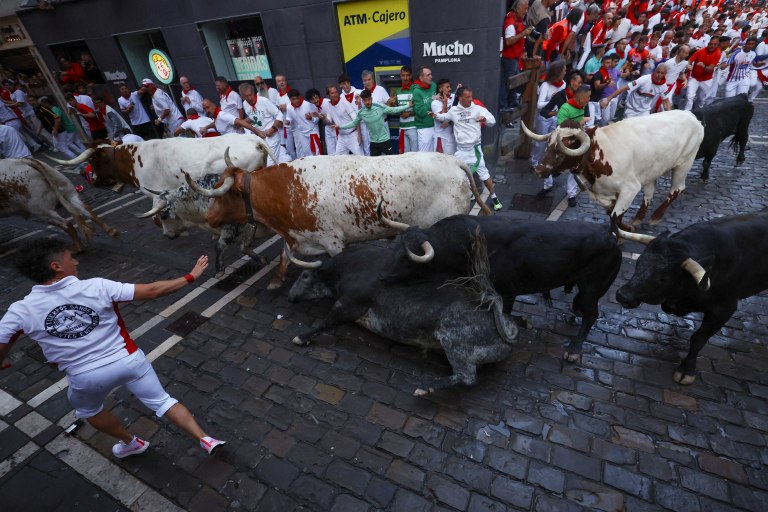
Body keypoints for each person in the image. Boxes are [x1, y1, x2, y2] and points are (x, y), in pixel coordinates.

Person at [0, 239, 226, 458]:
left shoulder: (21, 310)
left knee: (89, 411)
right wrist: (190, 276)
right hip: (128, 360)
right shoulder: (97, 286)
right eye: (71, 258)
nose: (76, 262)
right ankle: (206, 439)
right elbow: (152, 290)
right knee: (164, 401)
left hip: (86, 376)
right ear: (56, 266)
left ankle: (132, 443)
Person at [431, 86, 503, 211]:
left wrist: (485, 119)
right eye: (467, 97)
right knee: (457, 175)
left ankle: (494, 197)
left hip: (475, 150)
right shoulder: (454, 110)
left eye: (471, 96)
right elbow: (444, 117)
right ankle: (466, 196)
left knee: (484, 175)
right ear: (460, 98)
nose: (470, 99)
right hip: (461, 151)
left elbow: (493, 121)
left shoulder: (478, 109)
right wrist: (435, 115)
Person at [536, 68, 582, 201]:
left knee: (574, 162)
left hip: (575, 133)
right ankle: (547, 185)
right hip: (560, 133)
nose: (580, 85)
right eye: (579, 82)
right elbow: (544, 111)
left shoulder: (581, 96)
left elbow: (588, 115)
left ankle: (571, 194)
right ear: (572, 82)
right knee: (549, 157)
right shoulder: (560, 95)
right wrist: (556, 113)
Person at [333, 88, 409, 156]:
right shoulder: (361, 113)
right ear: (362, 101)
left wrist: (408, 105)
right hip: (374, 143)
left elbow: (394, 110)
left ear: (371, 99)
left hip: (385, 141)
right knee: (373, 165)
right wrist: (340, 126)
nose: (367, 102)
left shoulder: (379, 107)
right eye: (365, 100)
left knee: (391, 162)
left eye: (369, 99)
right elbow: (353, 123)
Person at [600, 62, 671, 117]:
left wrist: (670, 115)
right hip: (631, 109)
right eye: (658, 72)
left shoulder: (664, 87)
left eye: (662, 73)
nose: (659, 75)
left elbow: (666, 101)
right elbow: (623, 88)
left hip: (644, 111)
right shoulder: (644, 79)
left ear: (665, 74)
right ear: (654, 71)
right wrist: (608, 99)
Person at [240, 83, 287, 164]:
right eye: (246, 96)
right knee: (263, 162)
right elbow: (253, 117)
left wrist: (272, 129)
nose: (249, 98)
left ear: (254, 93)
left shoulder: (264, 101)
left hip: (271, 136)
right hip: (259, 137)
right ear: (242, 97)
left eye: (250, 95)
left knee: (270, 163)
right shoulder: (245, 104)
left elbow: (279, 114)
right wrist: (243, 123)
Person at [500, 0, 531, 110]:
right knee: (507, 83)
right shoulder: (510, 22)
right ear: (517, 9)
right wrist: (523, 34)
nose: (526, 11)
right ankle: (503, 107)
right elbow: (508, 41)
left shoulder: (517, 19)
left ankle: (512, 103)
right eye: (524, 9)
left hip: (515, 57)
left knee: (514, 82)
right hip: (509, 58)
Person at [319, 84, 363, 156]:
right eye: (332, 93)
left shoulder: (344, 102)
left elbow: (356, 120)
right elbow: (329, 122)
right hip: (341, 137)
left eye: (336, 92)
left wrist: (359, 136)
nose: (335, 94)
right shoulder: (328, 105)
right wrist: (323, 118)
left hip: (352, 135)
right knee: (338, 158)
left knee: (361, 157)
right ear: (328, 95)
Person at [684, 36, 722, 110]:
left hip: (706, 80)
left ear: (718, 44)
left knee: (701, 100)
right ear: (708, 43)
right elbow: (689, 61)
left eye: (715, 44)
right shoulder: (700, 51)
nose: (712, 46)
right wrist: (688, 66)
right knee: (689, 96)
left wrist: (703, 66)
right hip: (695, 78)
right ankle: (686, 112)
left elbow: (710, 69)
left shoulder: (718, 53)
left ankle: (698, 113)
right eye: (711, 44)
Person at [285, 89, 321, 157]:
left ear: (299, 96)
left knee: (316, 154)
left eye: (297, 98)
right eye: (293, 99)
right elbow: (289, 117)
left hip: (312, 132)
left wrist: (311, 118)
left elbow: (317, 119)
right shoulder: (289, 107)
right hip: (302, 134)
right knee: (307, 154)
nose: (296, 100)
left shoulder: (309, 105)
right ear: (290, 99)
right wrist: (288, 121)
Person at [392, 66, 417, 153]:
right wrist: (392, 104)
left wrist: (409, 114)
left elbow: (420, 107)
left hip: (413, 127)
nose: (405, 78)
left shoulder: (415, 89)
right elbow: (397, 109)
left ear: (411, 76)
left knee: (415, 154)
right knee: (405, 155)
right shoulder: (398, 91)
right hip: (402, 127)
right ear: (400, 76)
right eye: (403, 75)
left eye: (407, 75)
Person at [412, 67, 437, 152]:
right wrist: (432, 99)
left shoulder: (433, 85)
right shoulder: (416, 91)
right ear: (421, 78)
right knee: (424, 156)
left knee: (435, 155)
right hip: (424, 128)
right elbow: (420, 112)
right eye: (428, 75)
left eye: (431, 74)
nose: (431, 77)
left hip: (436, 126)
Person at [306, 88, 336, 156]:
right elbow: (317, 119)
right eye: (312, 99)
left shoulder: (327, 102)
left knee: (340, 152)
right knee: (330, 153)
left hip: (336, 128)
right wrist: (311, 118)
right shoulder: (314, 106)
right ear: (310, 101)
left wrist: (318, 116)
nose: (315, 100)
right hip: (328, 129)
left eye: (316, 97)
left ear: (319, 96)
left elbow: (330, 121)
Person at [432, 78, 457, 155]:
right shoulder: (435, 102)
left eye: (450, 86)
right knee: (440, 160)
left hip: (452, 136)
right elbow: (442, 119)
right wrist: (445, 102)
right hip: (441, 137)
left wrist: (449, 122)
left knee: (452, 159)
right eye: (447, 87)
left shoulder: (454, 97)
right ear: (440, 89)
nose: (450, 89)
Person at [275, 74, 296, 159]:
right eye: (279, 81)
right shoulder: (278, 95)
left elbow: (298, 105)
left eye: (283, 80)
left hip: (295, 124)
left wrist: (287, 107)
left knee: (299, 147)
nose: (281, 83)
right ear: (277, 83)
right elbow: (277, 108)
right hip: (285, 126)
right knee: (289, 148)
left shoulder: (292, 92)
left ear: (286, 81)